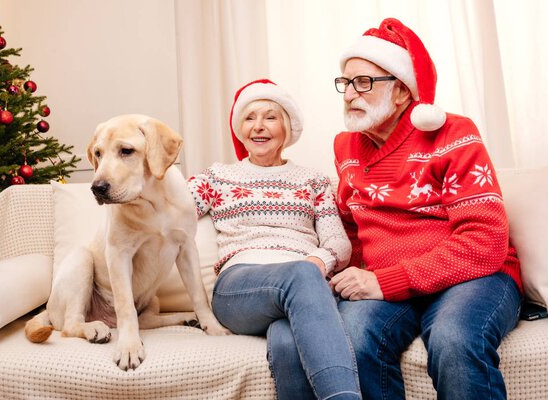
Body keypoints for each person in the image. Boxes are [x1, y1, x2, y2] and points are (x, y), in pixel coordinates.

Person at [329, 18, 523, 400]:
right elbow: (351, 228)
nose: (350, 93)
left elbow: (486, 242)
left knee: (454, 337)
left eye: (363, 82)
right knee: (351, 338)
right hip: (389, 282)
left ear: (402, 91)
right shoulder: (345, 147)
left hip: (475, 277)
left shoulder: (453, 133)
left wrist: (387, 281)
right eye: (345, 82)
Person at [187, 79, 361, 400]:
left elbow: (338, 243)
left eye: (270, 117)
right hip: (240, 290)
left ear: (287, 127)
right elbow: (172, 208)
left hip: (303, 285)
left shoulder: (313, 181)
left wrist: (317, 261)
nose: (259, 127)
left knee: (286, 340)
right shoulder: (218, 176)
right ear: (240, 129)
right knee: (302, 275)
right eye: (250, 117)